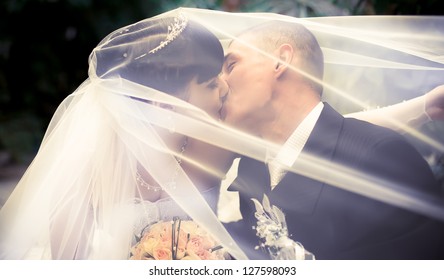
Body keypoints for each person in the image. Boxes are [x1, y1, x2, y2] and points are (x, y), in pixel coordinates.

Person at [0, 8, 443, 260]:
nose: (223, 89)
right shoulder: (96, 159)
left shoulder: (213, 141)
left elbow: (325, 140)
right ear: (165, 101)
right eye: (212, 82)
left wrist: (421, 108)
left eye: (226, 73)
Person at [221, 19, 444, 260]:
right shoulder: (251, 170)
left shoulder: (381, 159)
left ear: (281, 60)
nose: (221, 84)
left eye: (231, 66)